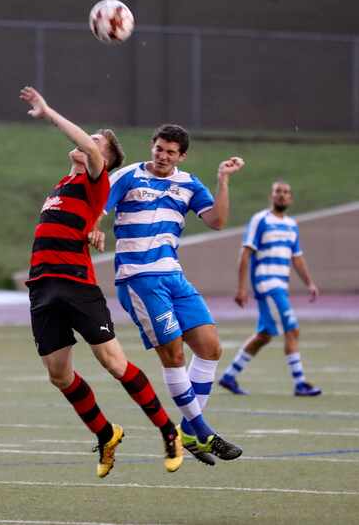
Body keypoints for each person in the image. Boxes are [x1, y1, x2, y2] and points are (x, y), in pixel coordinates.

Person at [19, 87, 183, 478]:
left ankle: (168, 430)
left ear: (103, 160)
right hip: (42, 288)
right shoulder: (61, 185)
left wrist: (48, 112)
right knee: (58, 375)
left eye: (95, 141)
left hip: (76, 285)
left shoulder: (96, 180)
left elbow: (91, 153)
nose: (87, 141)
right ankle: (107, 434)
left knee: (113, 362)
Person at [98, 124, 244, 466]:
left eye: (171, 152)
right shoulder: (127, 176)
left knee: (210, 347)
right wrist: (93, 227)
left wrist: (223, 179)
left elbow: (218, 221)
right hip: (139, 278)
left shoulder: (189, 184)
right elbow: (100, 208)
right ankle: (202, 430)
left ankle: (191, 431)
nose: (163, 156)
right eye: (159, 148)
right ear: (152, 146)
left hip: (174, 277)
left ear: (182, 156)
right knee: (174, 353)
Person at [219, 181, 321, 397]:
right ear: (271, 196)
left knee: (264, 335)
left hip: (280, 286)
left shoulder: (292, 225)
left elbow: (297, 258)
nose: (282, 196)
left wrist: (309, 283)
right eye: (278, 192)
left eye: (286, 193)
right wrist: (241, 288)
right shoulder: (260, 220)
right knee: (292, 329)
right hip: (267, 284)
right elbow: (245, 254)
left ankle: (229, 376)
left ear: (291, 198)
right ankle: (300, 382)